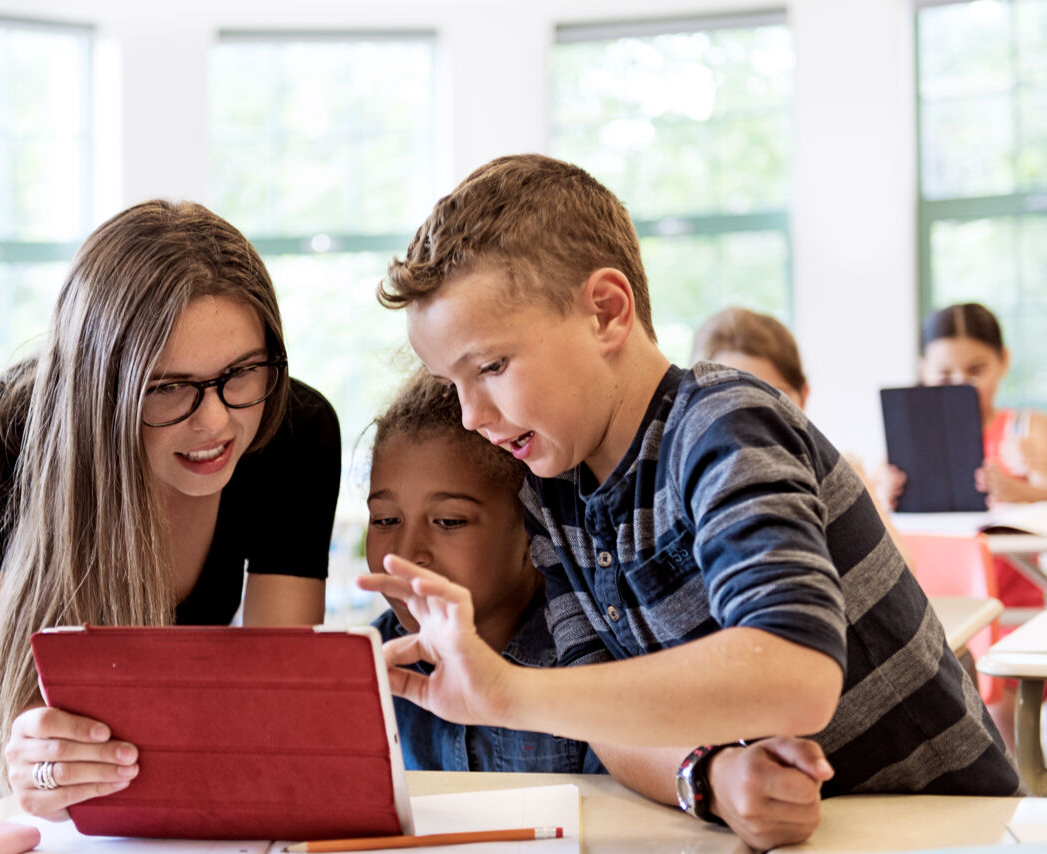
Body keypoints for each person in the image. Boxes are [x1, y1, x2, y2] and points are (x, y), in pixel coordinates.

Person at [357, 154, 1021, 851]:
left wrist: (508, 692)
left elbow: (795, 674)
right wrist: (709, 777)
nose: (470, 415)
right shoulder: (555, 493)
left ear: (607, 312)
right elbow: (605, 718)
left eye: (491, 367)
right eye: (452, 381)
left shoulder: (723, 423)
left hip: (948, 827)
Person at [0, 200, 341, 818]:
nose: (216, 422)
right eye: (167, 387)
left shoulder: (295, 429)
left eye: (240, 372)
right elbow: (37, 722)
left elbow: (276, 691)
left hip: (186, 671)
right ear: (98, 385)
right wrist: (46, 772)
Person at [365, 368, 605, 773]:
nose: (405, 554)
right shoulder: (368, 670)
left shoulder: (587, 659)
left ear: (533, 531)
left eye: (449, 521)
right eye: (386, 520)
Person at [690, 307, 912, 568]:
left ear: (802, 396)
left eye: (772, 396)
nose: (750, 419)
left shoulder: (838, 474)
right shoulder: (691, 494)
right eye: (727, 402)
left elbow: (901, 570)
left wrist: (858, 494)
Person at [919, 302, 1047, 607]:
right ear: (923, 370)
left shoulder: (1028, 429)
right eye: (945, 374)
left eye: (976, 371)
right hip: (941, 608)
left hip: (1018, 611)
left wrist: (1021, 490)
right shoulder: (914, 441)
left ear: (1003, 361)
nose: (962, 384)